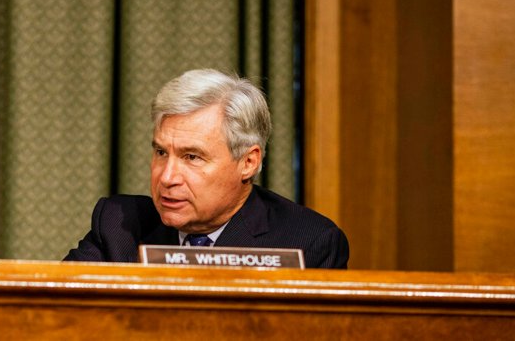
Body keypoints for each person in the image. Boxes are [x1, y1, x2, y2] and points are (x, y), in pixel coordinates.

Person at [64, 69, 349, 268]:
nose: (167, 177)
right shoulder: (118, 226)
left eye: (192, 157)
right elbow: (55, 316)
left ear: (248, 162)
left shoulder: (307, 243)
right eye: (161, 152)